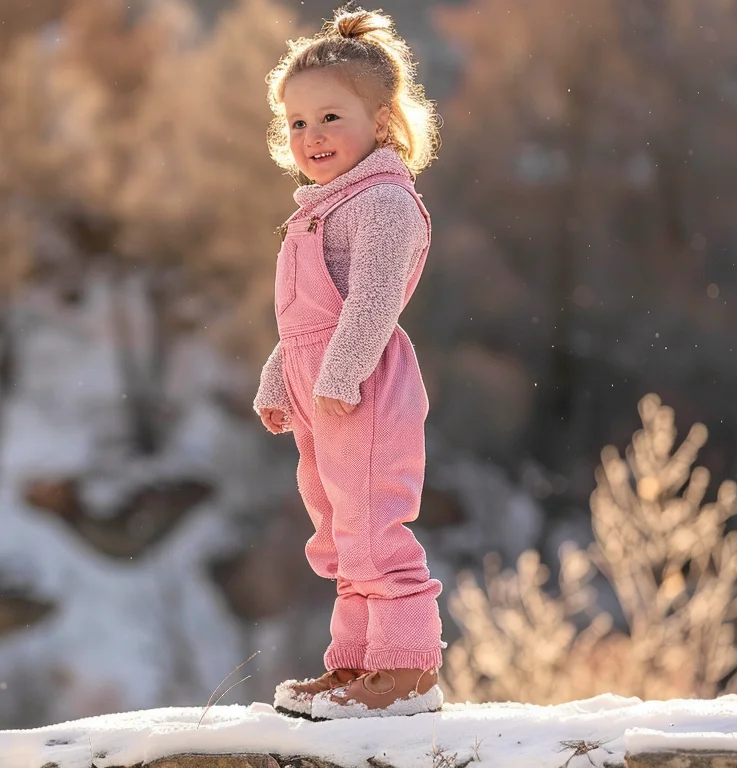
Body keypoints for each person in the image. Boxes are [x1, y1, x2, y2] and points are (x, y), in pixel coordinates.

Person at [253, 7, 443, 720]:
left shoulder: (384, 203)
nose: (312, 137)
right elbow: (303, 317)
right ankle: (358, 666)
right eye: (298, 123)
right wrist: (283, 378)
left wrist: (338, 374)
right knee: (337, 532)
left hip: (360, 385)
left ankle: (408, 671)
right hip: (322, 387)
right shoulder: (317, 210)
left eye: (331, 117)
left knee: (373, 525)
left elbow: (372, 303)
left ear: (383, 120)